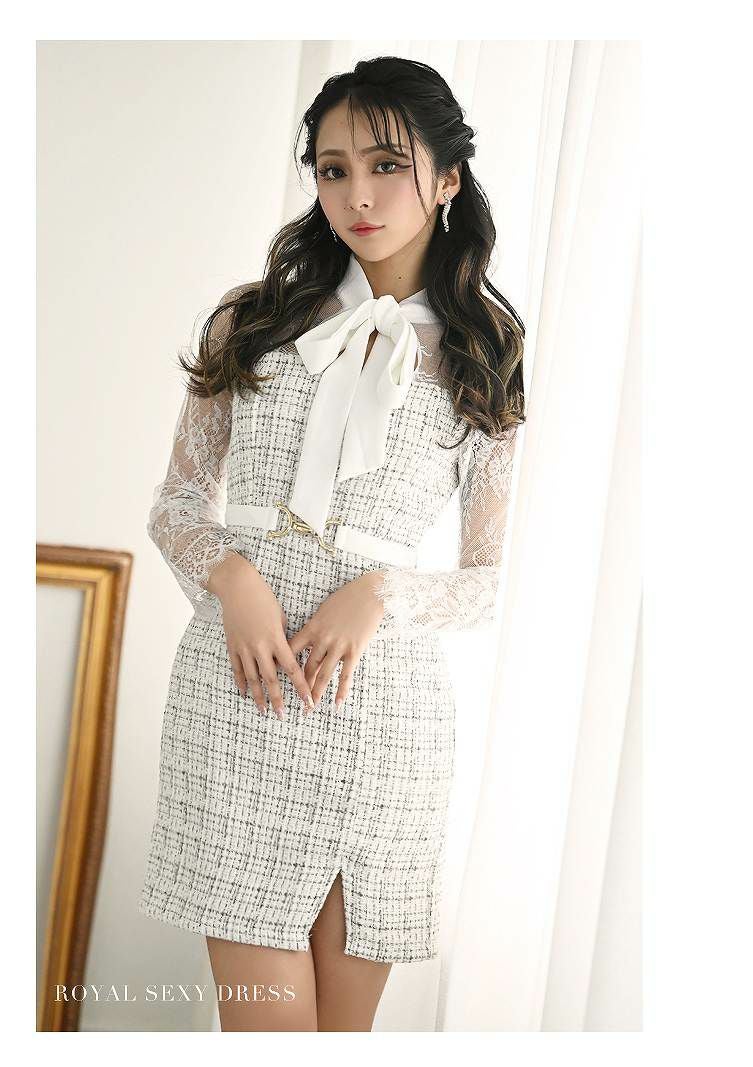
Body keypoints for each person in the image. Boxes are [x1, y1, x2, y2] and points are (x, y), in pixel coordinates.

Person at [138, 55, 526, 1032]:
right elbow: (178, 500)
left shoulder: (483, 353)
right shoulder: (253, 320)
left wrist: (383, 592)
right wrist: (232, 575)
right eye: (332, 168)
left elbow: (493, 580)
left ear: (446, 178)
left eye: (386, 165)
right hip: (244, 696)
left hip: (385, 719)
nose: (356, 195)